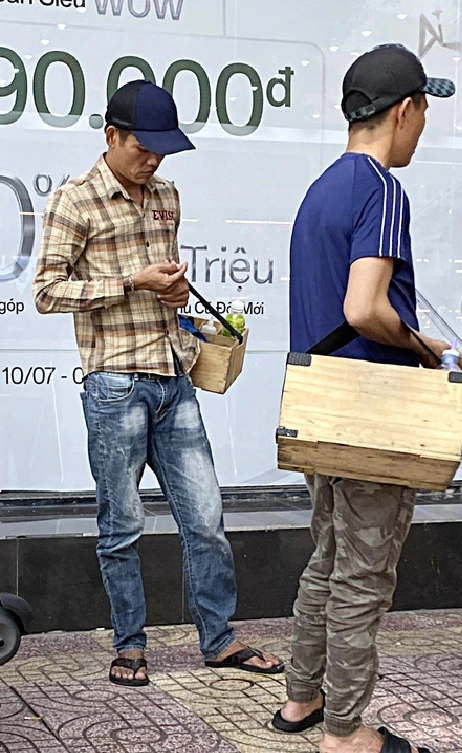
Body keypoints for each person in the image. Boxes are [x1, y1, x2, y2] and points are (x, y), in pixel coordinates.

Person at [33, 80, 283, 687]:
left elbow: (162, 286)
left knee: (206, 518)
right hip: (114, 383)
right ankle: (129, 645)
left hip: (175, 375)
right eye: (145, 148)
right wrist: (133, 283)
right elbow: (45, 292)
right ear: (112, 136)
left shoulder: (167, 193)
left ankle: (219, 639)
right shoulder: (74, 201)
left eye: (163, 151)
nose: (154, 161)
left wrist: (173, 292)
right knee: (122, 525)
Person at [272, 45, 462, 753]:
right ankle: (346, 729)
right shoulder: (381, 189)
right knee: (363, 571)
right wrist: (420, 346)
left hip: (323, 405)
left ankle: (302, 697)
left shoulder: (321, 187)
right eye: (423, 113)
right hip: (372, 408)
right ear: (406, 110)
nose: (421, 128)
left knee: (327, 553)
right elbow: (363, 306)